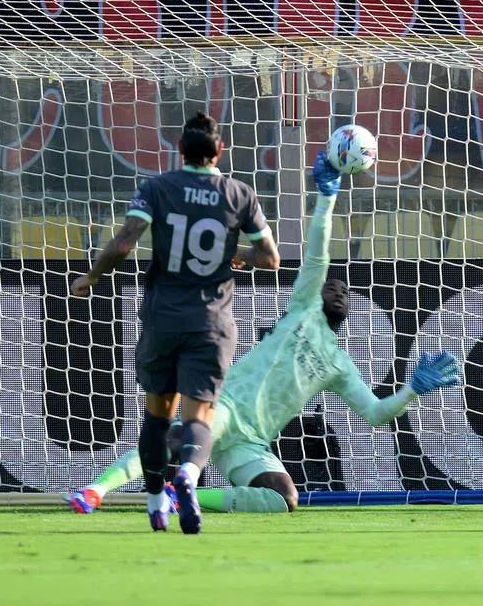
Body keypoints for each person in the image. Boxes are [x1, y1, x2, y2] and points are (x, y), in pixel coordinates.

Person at [67, 152, 461, 517]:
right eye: (332, 287)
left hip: (250, 442)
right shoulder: (304, 309)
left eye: (344, 291)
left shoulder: (340, 365)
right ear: (316, 292)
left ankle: (174, 497)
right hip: (225, 407)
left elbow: (375, 414)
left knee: (282, 498)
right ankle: (95, 490)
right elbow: (317, 255)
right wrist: (325, 200)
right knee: (174, 437)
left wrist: (412, 390)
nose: (339, 291)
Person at [70, 112, 280, 534]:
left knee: (158, 417)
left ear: (179, 150)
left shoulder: (156, 188)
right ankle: (187, 472)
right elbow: (271, 259)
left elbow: (124, 243)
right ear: (219, 151)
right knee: (199, 415)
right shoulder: (240, 194)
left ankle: (153, 502)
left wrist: (91, 276)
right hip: (212, 321)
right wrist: (236, 255)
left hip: (163, 317)